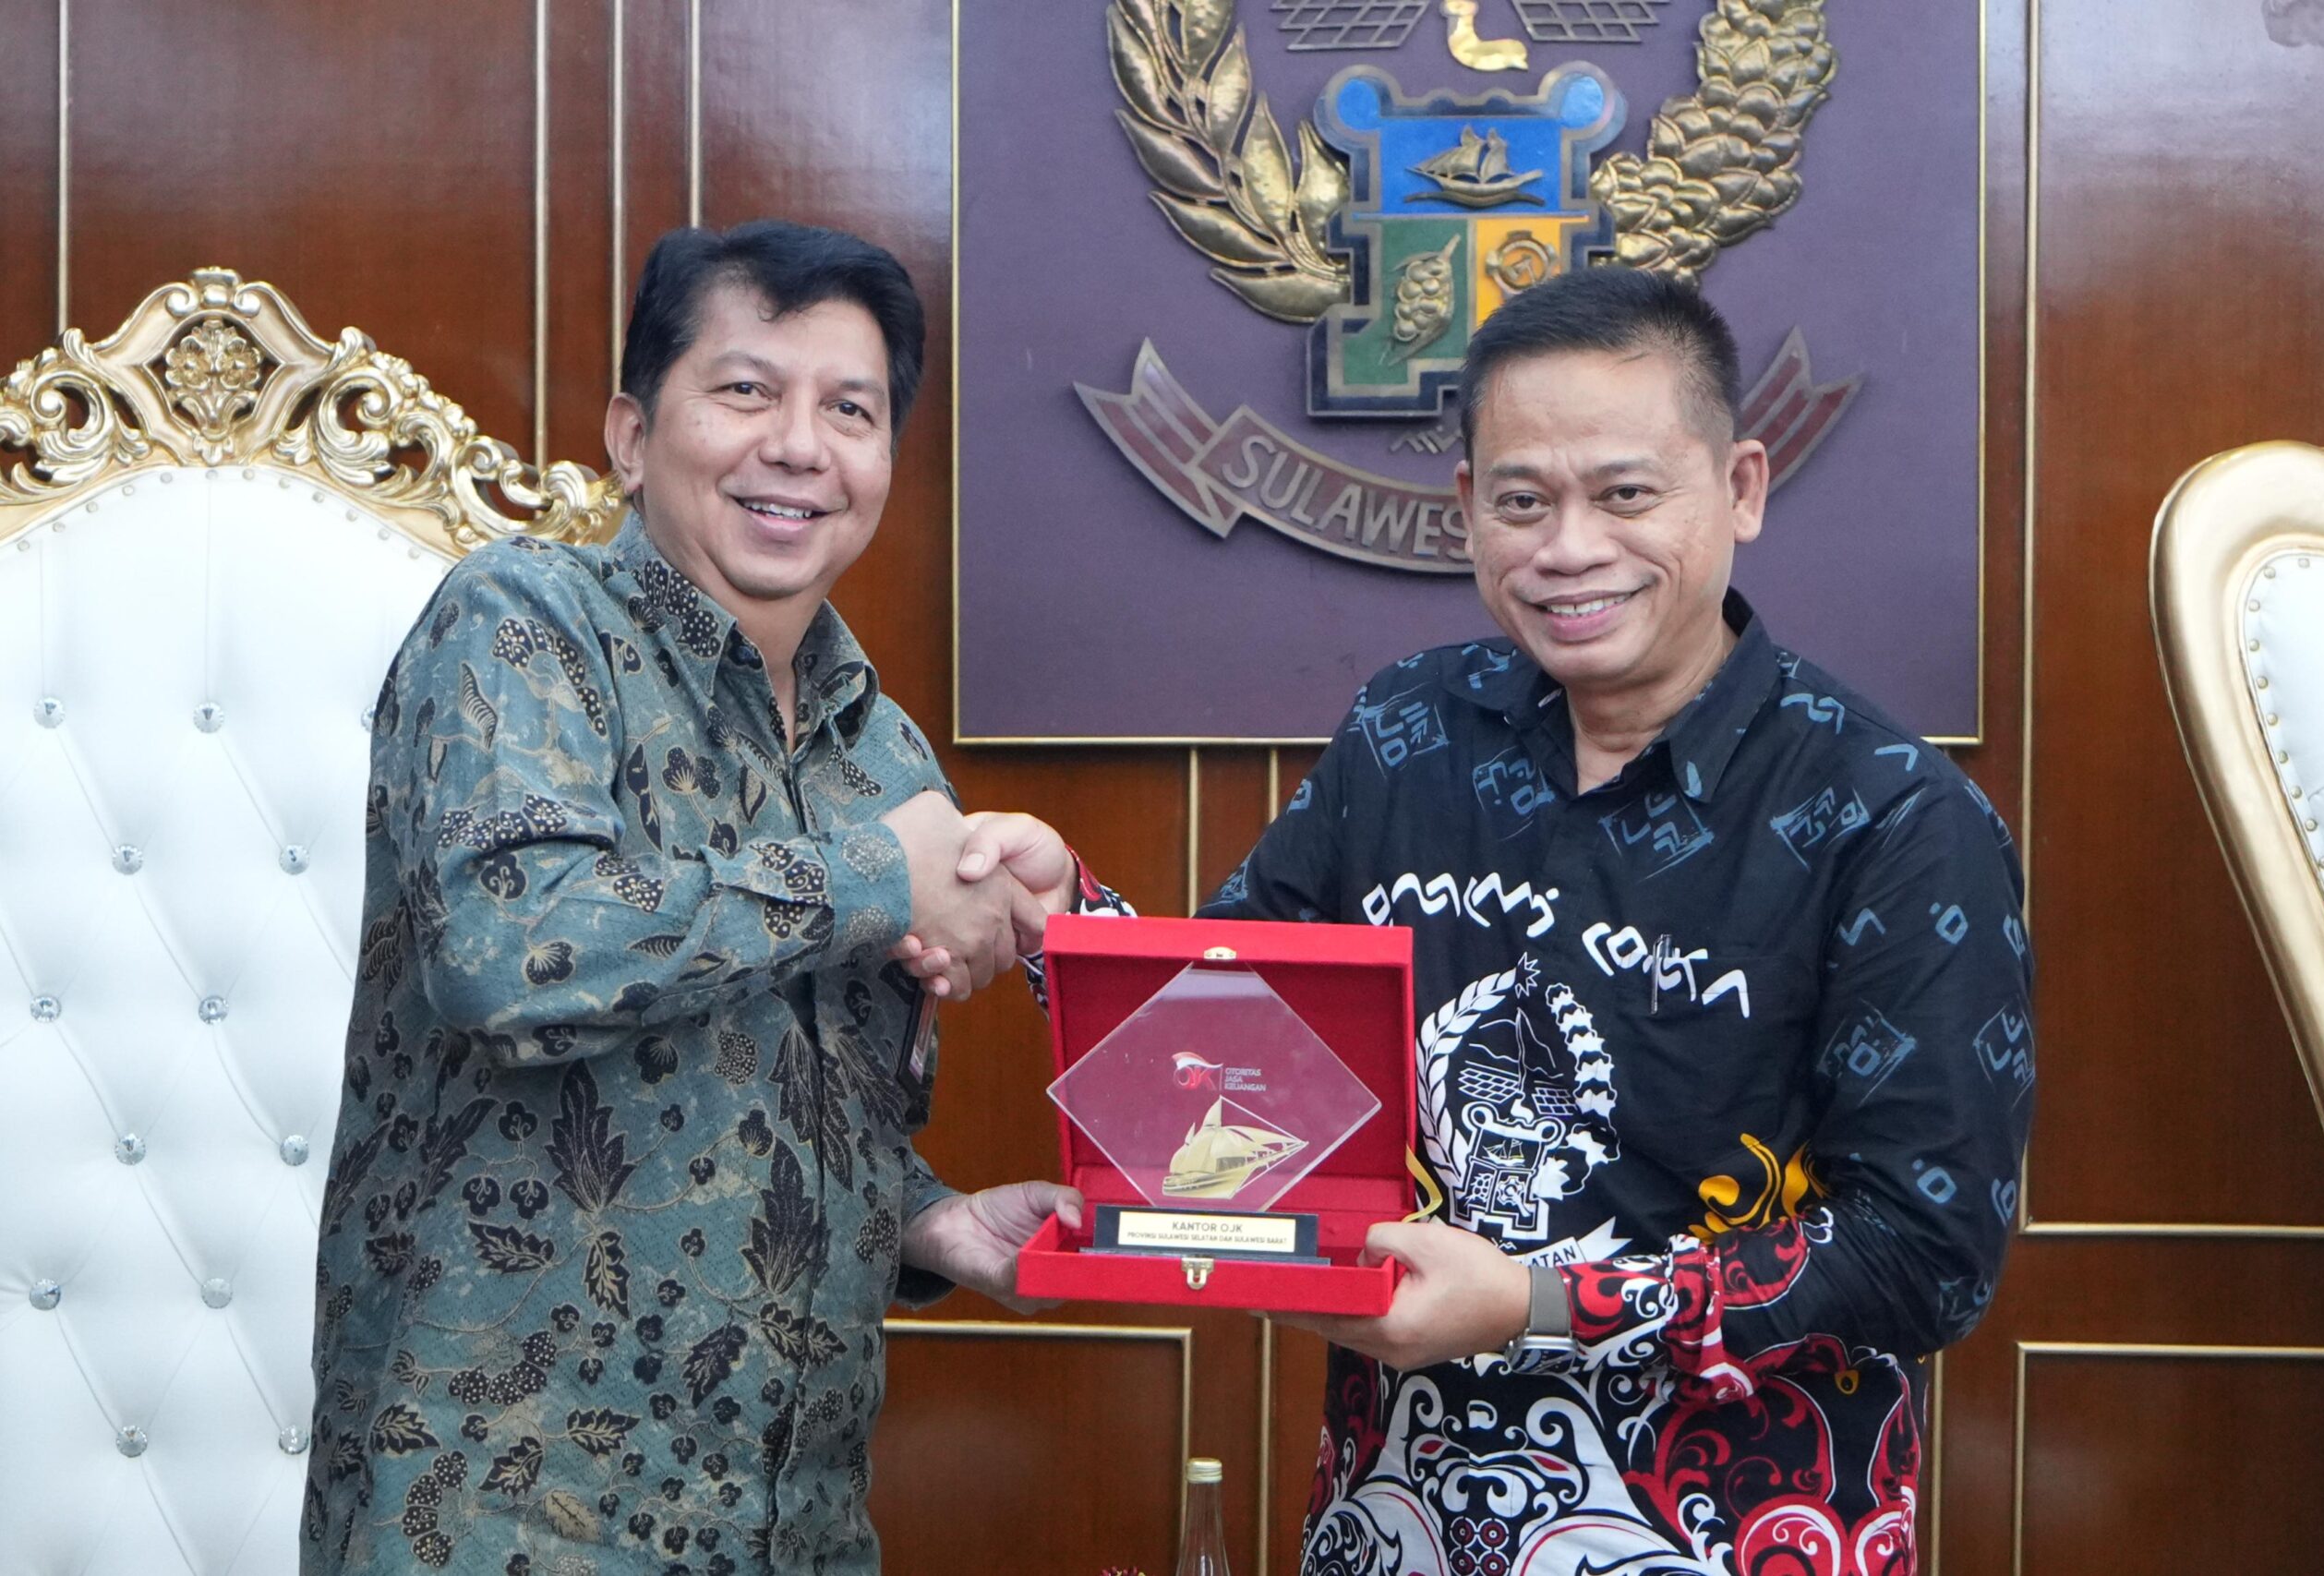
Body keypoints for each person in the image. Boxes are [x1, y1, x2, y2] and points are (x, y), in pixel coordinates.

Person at [941, 265, 2033, 1573]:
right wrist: (1066, 918)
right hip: (1395, 1520)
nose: (1569, 548)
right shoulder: (1411, 732)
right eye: (1523, 501)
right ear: (1467, 508)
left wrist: (1540, 1305)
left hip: (1733, 1533)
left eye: (1626, 494)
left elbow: (1925, 1253)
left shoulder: (1894, 816)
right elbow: (1232, 1050)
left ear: (1740, 488)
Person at [303, 220, 1080, 1576]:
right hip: (495, 1515)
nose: (800, 446)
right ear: (630, 433)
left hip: (797, 1524)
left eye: (850, 410)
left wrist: (929, 1221)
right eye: (745, 390)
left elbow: (780, 1097)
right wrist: (877, 875)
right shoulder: (521, 621)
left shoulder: (882, 754)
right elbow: (511, 954)